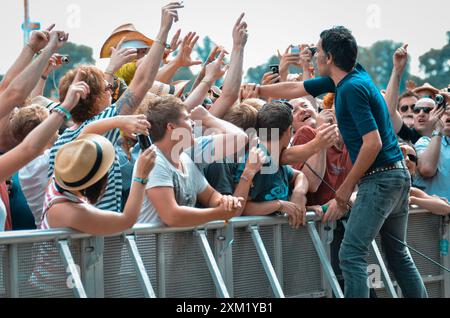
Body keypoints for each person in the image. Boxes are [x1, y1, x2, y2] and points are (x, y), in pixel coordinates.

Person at [255, 26, 427, 298]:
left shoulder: (350, 89)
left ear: (330, 58)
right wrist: (256, 89)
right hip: (395, 178)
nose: (314, 55)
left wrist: (344, 191)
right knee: (397, 255)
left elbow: (373, 143)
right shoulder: (351, 76)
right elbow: (296, 87)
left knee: (351, 254)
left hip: (379, 178)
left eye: (318, 51)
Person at [47, 2, 184, 213]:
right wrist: (163, 30)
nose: (112, 91)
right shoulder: (103, 128)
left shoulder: (60, 139)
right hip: (100, 235)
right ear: (93, 99)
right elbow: (143, 81)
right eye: (107, 89)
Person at [139, 96, 243, 227]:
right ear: (171, 127)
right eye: (187, 118)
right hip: (150, 247)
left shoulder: (185, 158)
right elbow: (171, 216)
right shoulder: (154, 160)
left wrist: (226, 201)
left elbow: (210, 196)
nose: (193, 123)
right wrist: (218, 213)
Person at [400, 144, 450, 216]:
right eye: (401, 155)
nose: (407, 159)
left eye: (412, 158)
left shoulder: (411, 191)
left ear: (415, 168)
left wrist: (413, 200)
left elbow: (446, 208)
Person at [414, 105, 450, 201]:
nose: (448, 113)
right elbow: (427, 170)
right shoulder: (425, 142)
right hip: (436, 214)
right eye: (445, 110)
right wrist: (438, 130)